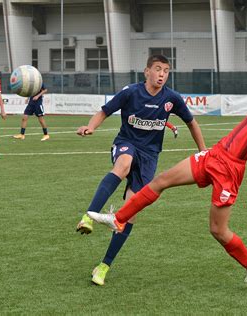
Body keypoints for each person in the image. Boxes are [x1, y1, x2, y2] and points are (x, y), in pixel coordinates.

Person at [88, 46, 247, 290]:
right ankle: (118, 219)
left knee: (218, 230)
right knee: (161, 181)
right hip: (214, 156)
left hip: (230, 171)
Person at [75, 54, 206, 286]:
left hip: (149, 157)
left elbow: (191, 123)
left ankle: (103, 266)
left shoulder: (172, 98)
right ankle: (88, 216)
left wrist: (203, 152)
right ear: (147, 72)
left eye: (166, 70)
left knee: (131, 212)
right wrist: (91, 127)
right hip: (127, 143)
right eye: (157, 69)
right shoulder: (131, 92)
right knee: (123, 164)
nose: (161, 74)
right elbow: (104, 111)